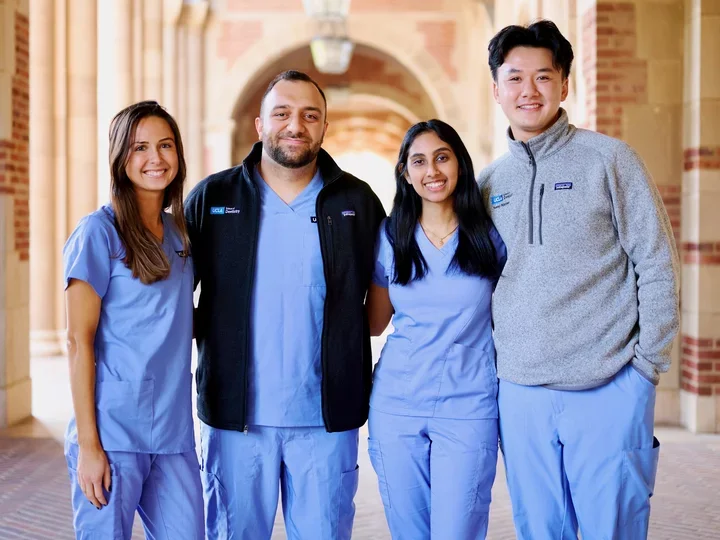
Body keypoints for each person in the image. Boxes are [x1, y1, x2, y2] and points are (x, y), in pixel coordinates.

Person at [478, 20, 680, 539]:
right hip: (521, 394)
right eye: (515, 78)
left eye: (543, 77)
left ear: (564, 85)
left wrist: (644, 369)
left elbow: (657, 263)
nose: (529, 91)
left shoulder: (609, 160)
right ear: (496, 88)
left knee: (611, 527)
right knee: (540, 528)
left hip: (609, 385)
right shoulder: (487, 184)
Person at [184, 70, 386, 539]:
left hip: (326, 419)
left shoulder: (356, 201)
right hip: (235, 419)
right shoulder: (214, 198)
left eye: (309, 115)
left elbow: (387, 290)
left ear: (323, 128)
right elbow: (168, 290)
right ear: (260, 125)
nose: (295, 125)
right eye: (282, 113)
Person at [63, 100, 204, 539]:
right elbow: (77, 341)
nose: (155, 158)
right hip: (113, 433)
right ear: (120, 157)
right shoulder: (97, 233)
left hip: (173, 433)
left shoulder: (181, 236)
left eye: (165, 145)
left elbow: (175, 319)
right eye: (140, 147)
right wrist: (89, 446)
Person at [365, 119, 505, 539]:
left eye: (442, 158)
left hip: (469, 404)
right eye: (419, 162)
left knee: (457, 530)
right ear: (406, 174)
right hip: (396, 405)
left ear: (459, 163)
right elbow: (375, 323)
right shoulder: (390, 237)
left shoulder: (489, 235)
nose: (433, 171)